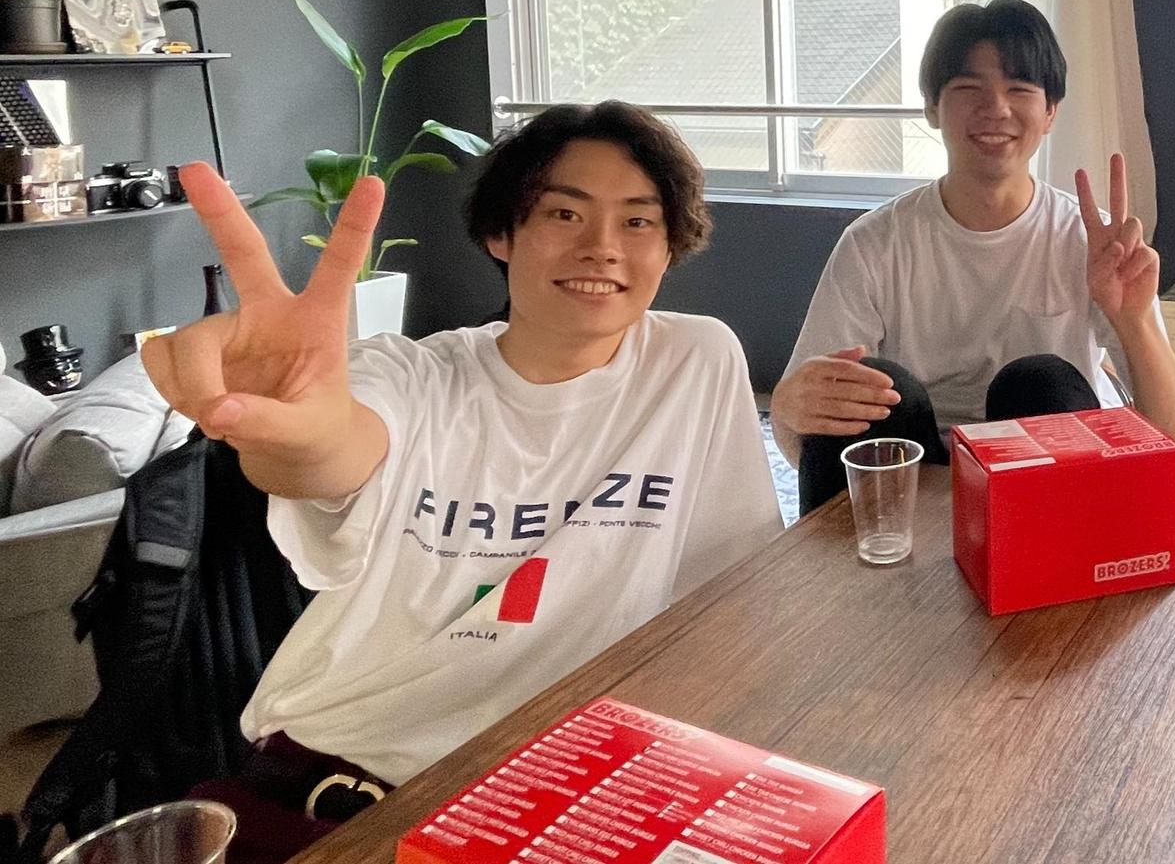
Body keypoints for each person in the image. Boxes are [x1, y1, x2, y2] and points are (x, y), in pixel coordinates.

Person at [143, 102, 783, 863]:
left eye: (639, 221)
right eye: (564, 213)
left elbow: (731, 591)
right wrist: (295, 428)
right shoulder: (411, 376)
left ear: (671, 244)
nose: (603, 247)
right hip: (357, 787)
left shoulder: (696, 360)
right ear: (500, 233)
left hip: (565, 795)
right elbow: (328, 452)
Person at [772, 0, 1175, 515]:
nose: (996, 108)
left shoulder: (1091, 244)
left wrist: (1133, 319)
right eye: (968, 88)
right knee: (870, 389)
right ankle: (850, 567)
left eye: (1019, 89)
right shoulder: (874, 243)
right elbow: (808, 435)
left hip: (1041, 490)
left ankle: (1057, 560)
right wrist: (788, 407)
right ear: (933, 108)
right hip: (915, 481)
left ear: (1050, 111)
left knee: (1042, 381)